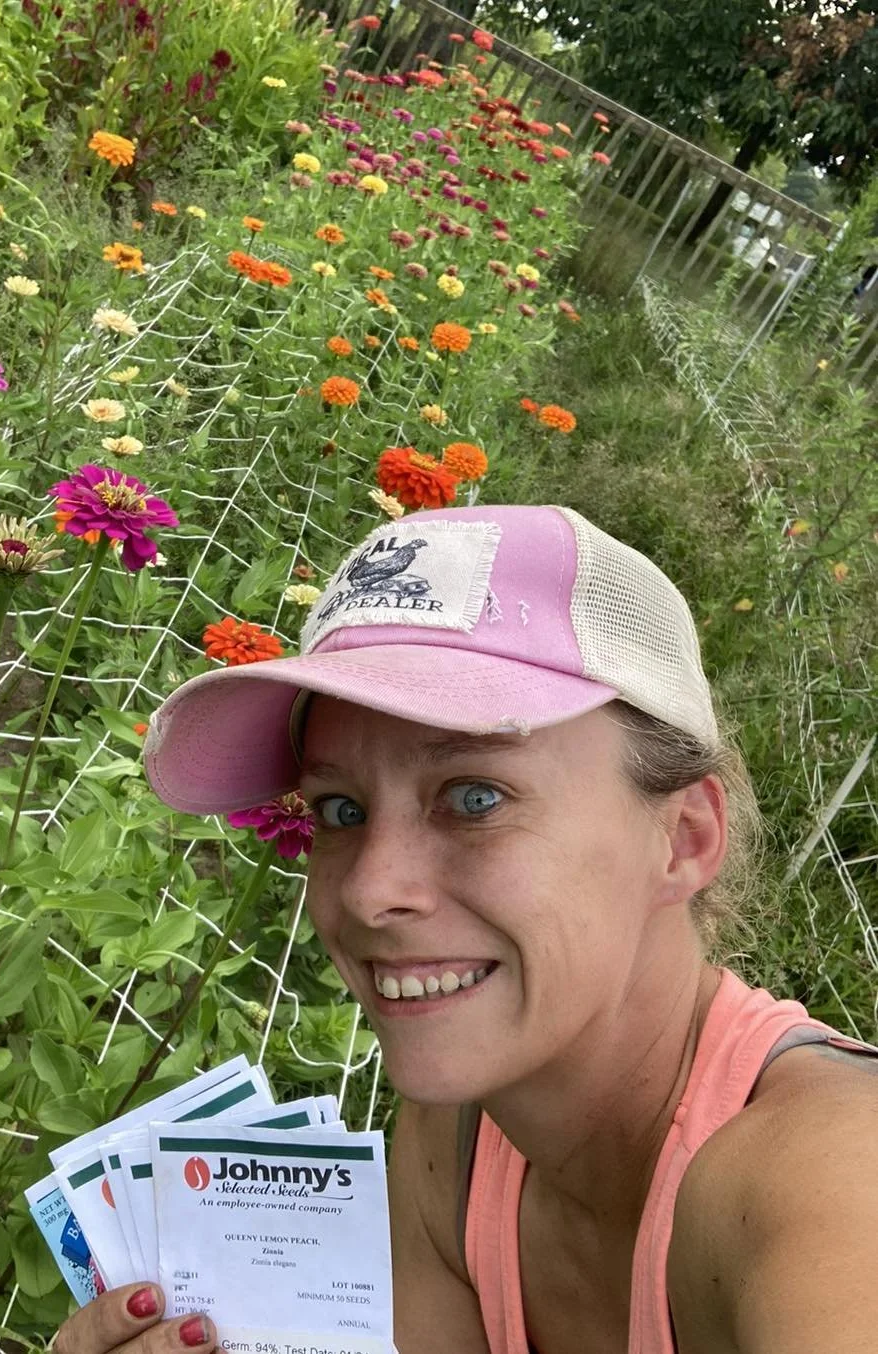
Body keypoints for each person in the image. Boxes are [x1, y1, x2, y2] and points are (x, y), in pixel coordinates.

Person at [55, 505, 878, 1354]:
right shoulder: (460, 1138)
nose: (371, 891)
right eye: (341, 810)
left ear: (684, 838)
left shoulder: (834, 1183)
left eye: (476, 797)